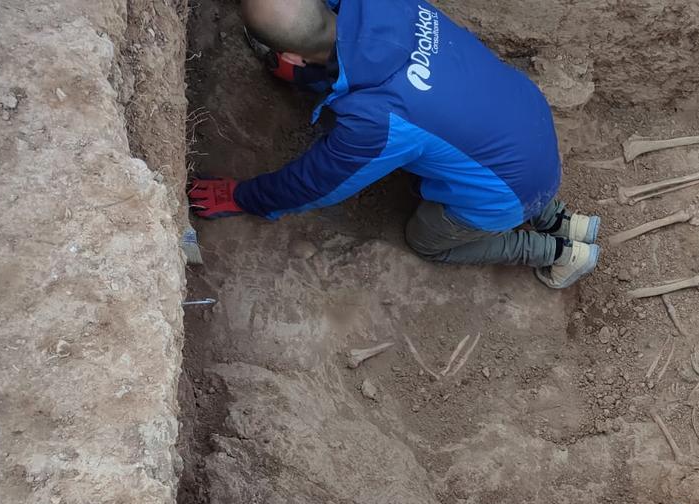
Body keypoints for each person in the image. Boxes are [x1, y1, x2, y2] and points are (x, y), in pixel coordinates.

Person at [186, 0, 601, 289]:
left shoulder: (377, 121)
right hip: (530, 125)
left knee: (427, 241)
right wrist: (307, 74)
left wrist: (246, 197)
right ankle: (561, 217)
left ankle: (556, 250)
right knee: (477, 146)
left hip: (506, 196)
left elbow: (317, 184)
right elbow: (342, 42)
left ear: (292, 57)